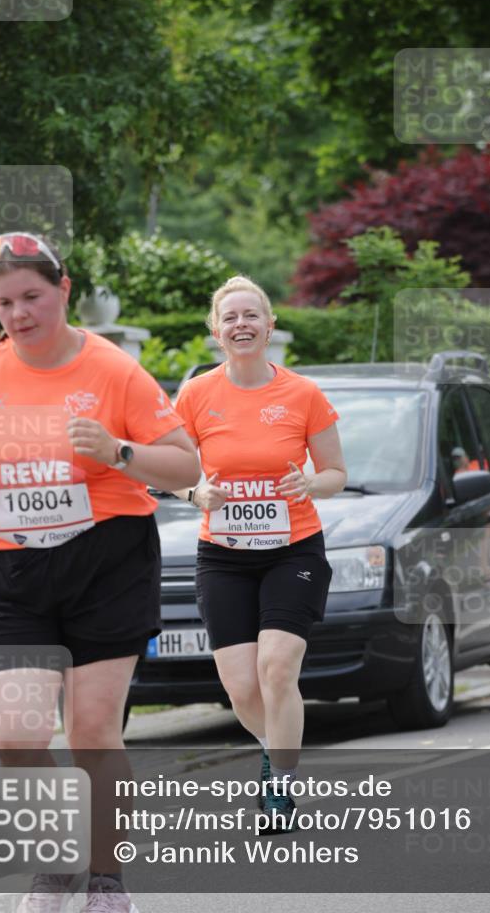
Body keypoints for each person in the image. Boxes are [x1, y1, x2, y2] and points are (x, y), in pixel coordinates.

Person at [0, 232, 201, 912]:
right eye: (5, 303)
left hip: (106, 561)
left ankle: (106, 881)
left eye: (32, 297)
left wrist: (117, 451)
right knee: (15, 735)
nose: (19, 314)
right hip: (10, 569)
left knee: (92, 732)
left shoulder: (113, 371)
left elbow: (186, 465)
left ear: (63, 289)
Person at [173, 275, 346, 832]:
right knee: (242, 687)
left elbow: (336, 473)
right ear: (216, 330)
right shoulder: (196, 395)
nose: (241, 324)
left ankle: (280, 787)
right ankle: (275, 747)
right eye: (230, 317)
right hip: (223, 555)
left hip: (293, 549)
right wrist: (194, 493)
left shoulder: (303, 394)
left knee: (276, 667)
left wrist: (310, 484)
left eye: (251, 315)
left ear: (269, 326)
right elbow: (172, 469)